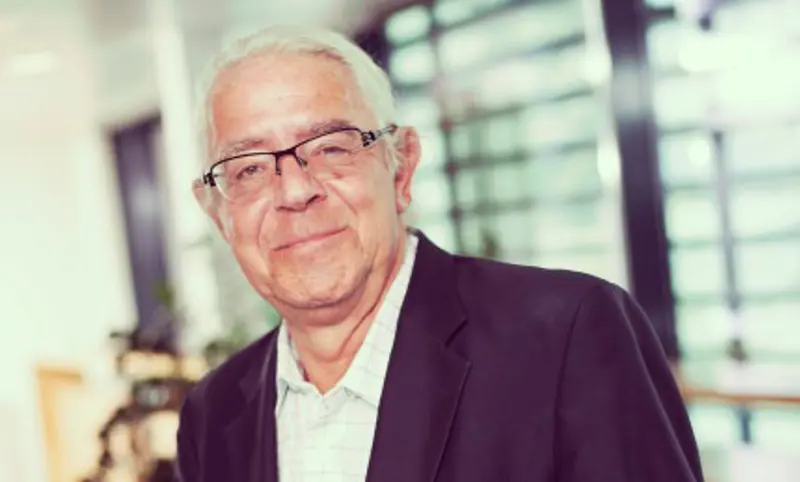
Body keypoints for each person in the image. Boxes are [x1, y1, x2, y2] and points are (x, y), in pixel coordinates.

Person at [176, 25, 703, 482]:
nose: (294, 191)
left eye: (331, 147)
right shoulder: (214, 413)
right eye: (248, 169)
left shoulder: (567, 335)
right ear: (217, 214)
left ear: (401, 168)